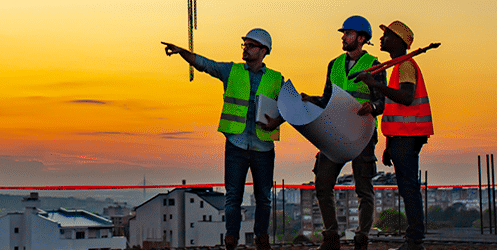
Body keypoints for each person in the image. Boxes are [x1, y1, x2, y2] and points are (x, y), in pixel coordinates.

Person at [162, 28, 286, 250]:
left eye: (250, 45)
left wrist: (276, 122)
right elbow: (204, 64)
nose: (245, 49)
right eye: (244, 45)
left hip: (263, 147)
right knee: (232, 198)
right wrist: (183, 52)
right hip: (237, 144)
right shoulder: (232, 71)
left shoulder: (276, 79)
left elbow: (290, 107)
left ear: (263, 51)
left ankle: (262, 240)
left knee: (264, 198)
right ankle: (231, 240)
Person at [299, 15, 386, 250]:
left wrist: (373, 107)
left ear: (360, 38)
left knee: (363, 189)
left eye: (347, 34)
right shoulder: (334, 64)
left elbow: (381, 101)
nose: (343, 37)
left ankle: (361, 238)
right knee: (322, 184)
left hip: (362, 134)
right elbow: (328, 99)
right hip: (334, 133)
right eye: (343, 33)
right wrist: (312, 100)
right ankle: (331, 237)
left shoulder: (375, 65)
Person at [356, 20, 433, 250]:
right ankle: (414, 239)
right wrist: (390, 144)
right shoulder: (399, 66)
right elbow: (395, 108)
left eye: (387, 35)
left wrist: (374, 84)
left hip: (408, 136)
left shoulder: (406, 66)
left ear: (399, 41)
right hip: (402, 137)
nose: (381, 39)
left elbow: (406, 97)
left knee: (409, 188)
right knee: (407, 187)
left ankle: (415, 240)